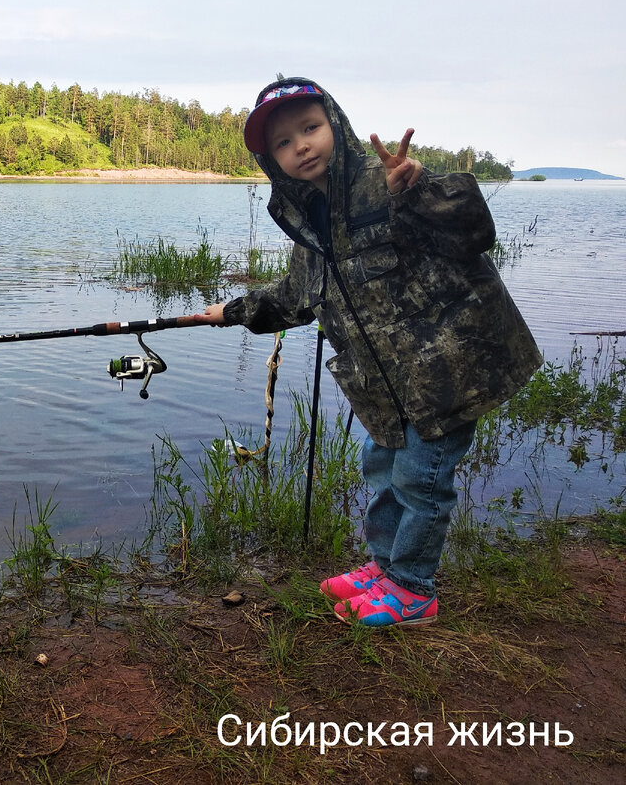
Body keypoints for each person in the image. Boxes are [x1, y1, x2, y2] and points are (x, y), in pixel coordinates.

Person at [195, 77, 542, 627]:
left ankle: (413, 590)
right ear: (271, 160)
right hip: (384, 386)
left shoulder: (386, 183)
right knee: (382, 467)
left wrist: (418, 189)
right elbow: (297, 297)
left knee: (420, 480)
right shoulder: (309, 220)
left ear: (336, 124)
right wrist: (235, 311)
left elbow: (474, 232)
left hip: (448, 369)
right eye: (283, 142)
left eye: (310, 129)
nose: (301, 146)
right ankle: (383, 567)